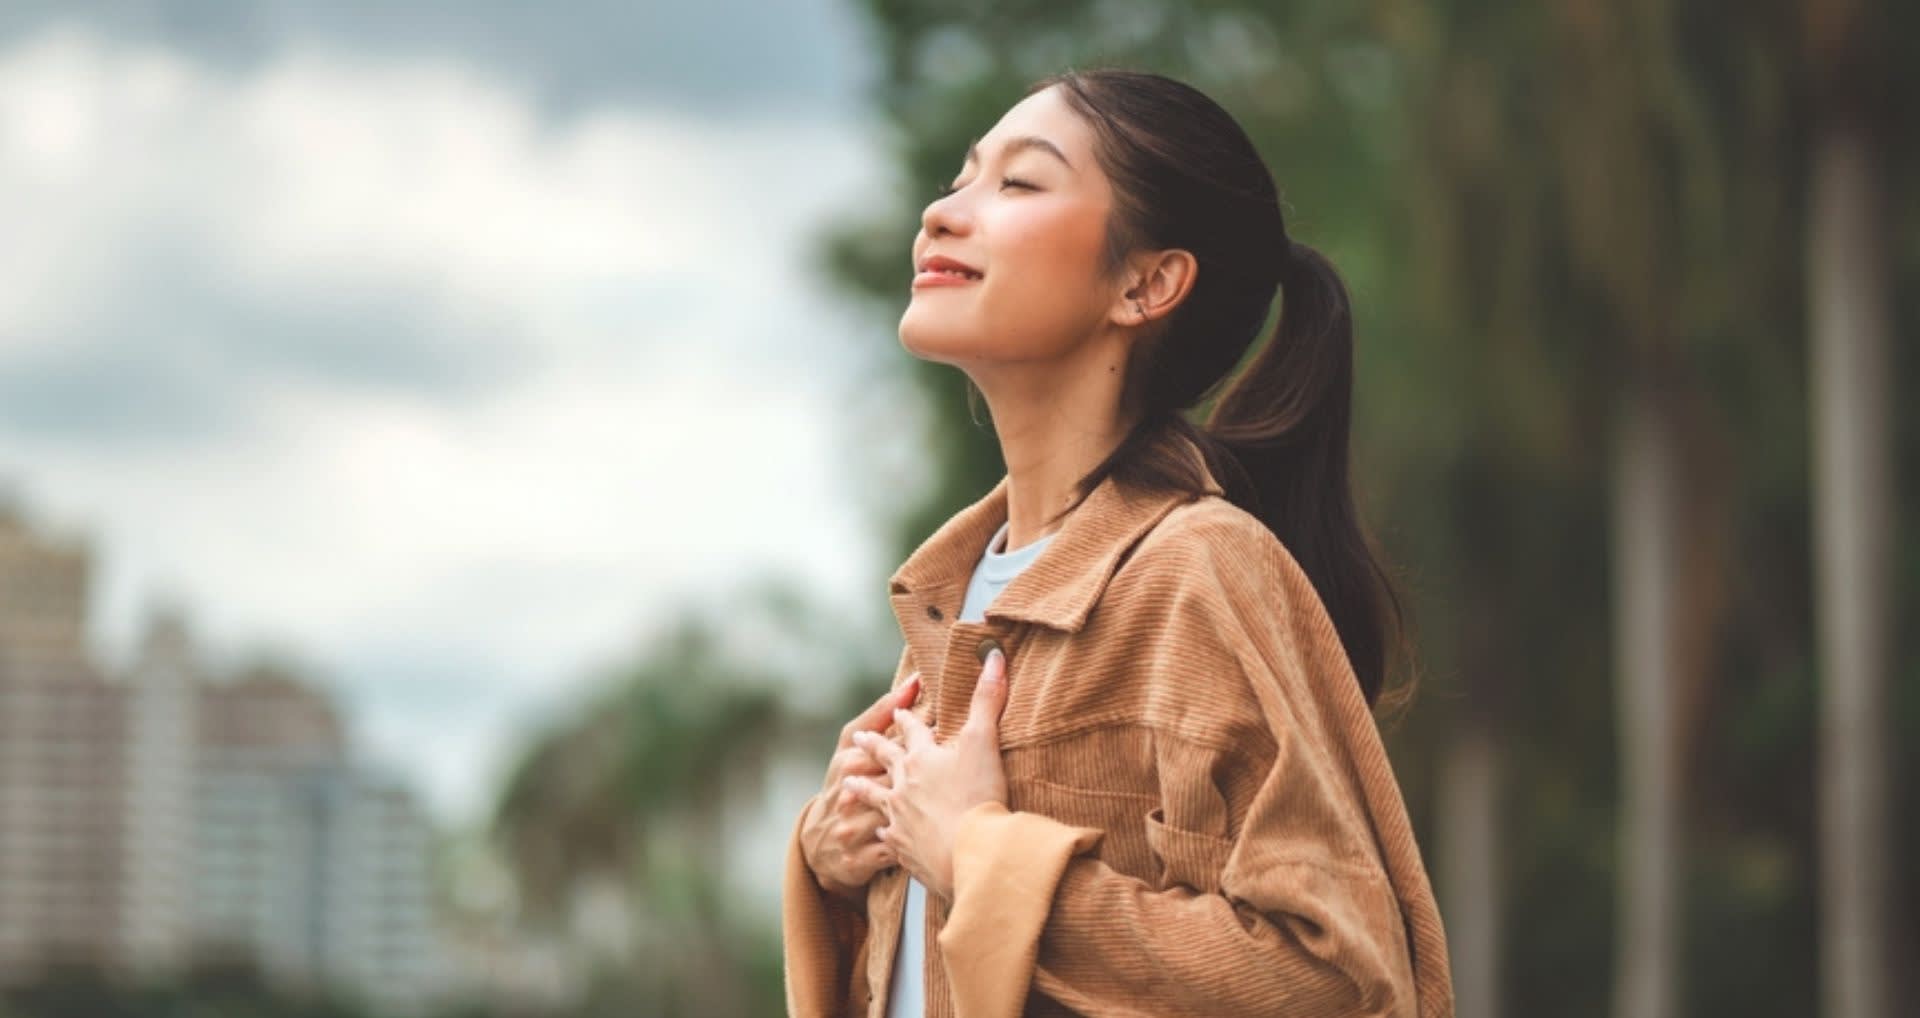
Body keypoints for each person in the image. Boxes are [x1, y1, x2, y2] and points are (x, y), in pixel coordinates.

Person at [782, 67, 1455, 1018]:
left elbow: (1337, 977)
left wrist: (979, 850)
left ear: (1146, 283)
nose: (943, 213)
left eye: (1018, 183)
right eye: (960, 177)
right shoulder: (954, 599)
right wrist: (840, 868)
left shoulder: (1198, 568)